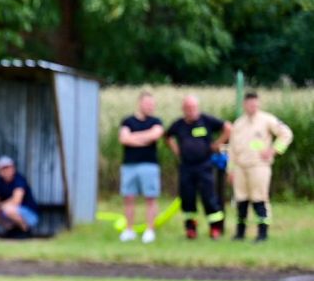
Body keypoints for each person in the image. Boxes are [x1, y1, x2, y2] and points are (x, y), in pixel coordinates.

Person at [228, 91, 294, 242]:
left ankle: (262, 233)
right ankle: (240, 233)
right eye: (250, 104)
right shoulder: (239, 123)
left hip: (259, 166)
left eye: (255, 104)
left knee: (259, 199)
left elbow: (286, 134)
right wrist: (230, 169)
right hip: (240, 167)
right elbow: (232, 149)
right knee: (241, 200)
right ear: (244, 105)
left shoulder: (267, 119)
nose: (253, 107)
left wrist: (274, 150)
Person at [166, 95, 230, 240]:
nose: (191, 111)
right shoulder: (179, 124)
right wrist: (176, 149)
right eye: (188, 108)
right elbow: (168, 135)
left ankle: (215, 228)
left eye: (194, 108)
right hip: (186, 167)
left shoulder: (206, 121)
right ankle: (191, 228)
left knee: (209, 198)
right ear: (183, 109)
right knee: (188, 198)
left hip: (204, 166)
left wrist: (217, 144)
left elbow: (228, 128)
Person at [117, 90, 164, 243]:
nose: (150, 106)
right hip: (129, 165)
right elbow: (124, 139)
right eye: (147, 103)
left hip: (149, 165)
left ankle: (149, 230)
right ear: (140, 103)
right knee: (129, 198)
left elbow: (155, 135)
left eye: (152, 104)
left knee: (150, 198)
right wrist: (145, 138)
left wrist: (134, 137)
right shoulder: (128, 121)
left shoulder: (156, 121)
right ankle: (129, 230)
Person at [0, 156, 39, 237]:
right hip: (7, 211)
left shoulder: (19, 179)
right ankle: (11, 229)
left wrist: (0, 206)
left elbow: (16, 201)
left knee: (8, 208)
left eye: (8, 167)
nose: (7, 170)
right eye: (3, 168)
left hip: (29, 214)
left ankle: (25, 230)